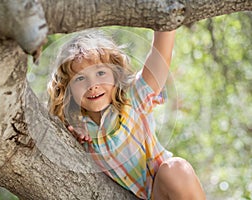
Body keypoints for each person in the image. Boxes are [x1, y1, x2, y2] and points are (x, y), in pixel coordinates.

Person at [47, 29, 206, 200]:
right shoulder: (76, 130)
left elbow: (160, 57)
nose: (93, 85)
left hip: (162, 191)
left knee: (177, 169)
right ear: (67, 88)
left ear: (115, 75)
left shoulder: (133, 99)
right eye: (80, 78)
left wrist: (166, 23)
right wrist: (72, 132)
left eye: (100, 73)